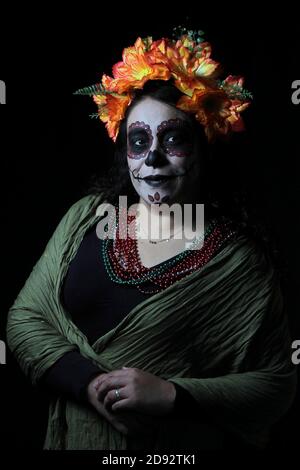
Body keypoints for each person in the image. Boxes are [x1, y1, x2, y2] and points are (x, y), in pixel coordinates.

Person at [6, 30, 297, 451]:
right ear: (125, 151)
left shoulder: (238, 262)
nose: (153, 157)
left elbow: (274, 385)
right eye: (139, 141)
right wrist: (88, 385)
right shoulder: (85, 219)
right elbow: (24, 319)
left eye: (174, 139)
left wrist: (171, 395)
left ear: (204, 147)